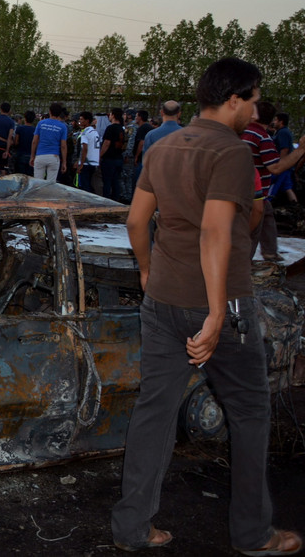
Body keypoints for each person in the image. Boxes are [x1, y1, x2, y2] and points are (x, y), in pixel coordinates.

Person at [112, 57, 301, 556]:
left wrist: (149, 271)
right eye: (255, 99)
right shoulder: (232, 153)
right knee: (250, 411)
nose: (257, 110)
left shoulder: (164, 144)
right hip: (220, 304)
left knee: (154, 410)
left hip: (162, 301)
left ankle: (132, 528)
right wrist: (218, 313)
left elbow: (136, 221)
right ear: (234, 99)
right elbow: (216, 231)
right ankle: (253, 533)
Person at [242, 101, 305, 260]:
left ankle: (269, 251)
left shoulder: (242, 132)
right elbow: (275, 167)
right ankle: (243, 264)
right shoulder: (262, 137)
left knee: (267, 214)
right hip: (255, 191)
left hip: (242, 188)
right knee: (254, 226)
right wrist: (301, 150)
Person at [30, 103, 68, 182]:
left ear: (50, 111)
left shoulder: (41, 123)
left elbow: (34, 141)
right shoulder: (62, 127)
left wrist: (32, 156)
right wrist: (64, 162)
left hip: (40, 155)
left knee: (37, 182)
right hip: (54, 157)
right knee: (51, 184)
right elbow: (63, 146)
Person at [269, 113, 299, 203]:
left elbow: (284, 149)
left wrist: (280, 165)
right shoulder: (282, 132)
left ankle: (267, 205)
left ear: (280, 122)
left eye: (275, 120)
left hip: (283, 167)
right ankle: (295, 205)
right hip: (286, 167)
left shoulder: (283, 133)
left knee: (273, 187)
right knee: (287, 187)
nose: (274, 122)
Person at [100, 108, 126, 200]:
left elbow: (106, 143)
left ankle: (105, 201)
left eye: (110, 114)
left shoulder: (110, 128)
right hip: (118, 158)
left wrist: (100, 156)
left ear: (113, 115)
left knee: (107, 182)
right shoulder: (122, 129)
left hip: (109, 159)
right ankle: (116, 200)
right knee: (116, 182)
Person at [75, 111, 100, 194]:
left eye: (81, 119)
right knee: (90, 184)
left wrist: (81, 164)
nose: (80, 121)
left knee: (85, 186)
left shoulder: (85, 132)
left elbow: (84, 148)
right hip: (94, 162)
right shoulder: (95, 132)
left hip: (86, 163)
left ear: (87, 120)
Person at [0, 102, 15, 177]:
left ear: (0, 109)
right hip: (4, 147)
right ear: (9, 111)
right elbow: (10, 137)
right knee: (3, 168)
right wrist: (7, 151)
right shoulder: (11, 122)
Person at [132, 110, 154, 183]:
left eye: (136, 116)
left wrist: (136, 156)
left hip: (141, 159)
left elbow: (141, 143)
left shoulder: (143, 128)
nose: (135, 118)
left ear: (140, 117)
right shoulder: (148, 127)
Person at [13, 110, 36, 176]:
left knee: (19, 176)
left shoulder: (20, 128)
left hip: (20, 154)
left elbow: (16, 142)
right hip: (31, 156)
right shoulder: (35, 130)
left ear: (25, 118)